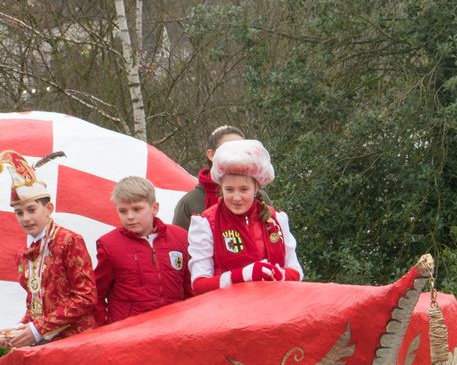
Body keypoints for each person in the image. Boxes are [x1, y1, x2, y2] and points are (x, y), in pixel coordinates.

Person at [0, 150, 98, 348]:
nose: (25, 218)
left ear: (48, 209)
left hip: (76, 343)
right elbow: (35, 305)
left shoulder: (69, 240)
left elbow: (86, 298)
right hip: (45, 344)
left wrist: (36, 330)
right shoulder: (23, 252)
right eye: (19, 212)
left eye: (31, 210)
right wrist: (19, 329)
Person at [188, 139, 303, 294]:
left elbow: (296, 271)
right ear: (220, 188)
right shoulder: (206, 223)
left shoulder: (277, 219)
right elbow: (199, 285)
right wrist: (242, 275)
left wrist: (278, 274)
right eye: (229, 190)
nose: (236, 197)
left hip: (276, 309)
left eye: (243, 189)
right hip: (228, 313)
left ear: (256, 188)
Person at [94, 176, 191, 325]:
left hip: (174, 327)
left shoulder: (180, 237)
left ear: (154, 208)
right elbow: (97, 294)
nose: (130, 217)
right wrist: (105, 328)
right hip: (129, 334)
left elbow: (190, 288)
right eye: (123, 211)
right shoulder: (109, 244)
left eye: (137, 209)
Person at [171, 124, 245, 231]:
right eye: (229, 150)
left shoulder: (256, 196)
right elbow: (180, 245)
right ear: (211, 155)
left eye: (242, 150)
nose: (236, 156)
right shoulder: (189, 203)